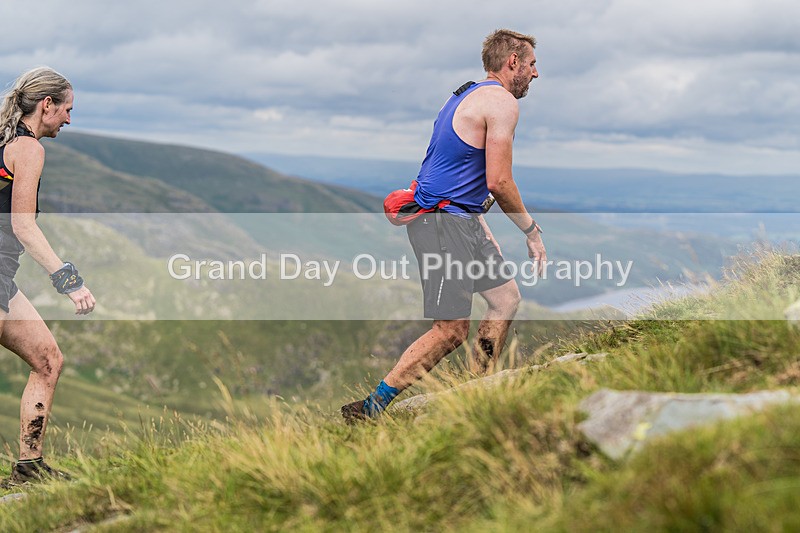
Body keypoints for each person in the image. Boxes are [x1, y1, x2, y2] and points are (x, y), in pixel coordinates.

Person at [342, 29, 546, 422]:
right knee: (451, 330)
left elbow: (450, 171)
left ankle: (474, 393)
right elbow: (499, 181)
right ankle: (371, 408)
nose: (536, 74)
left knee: (505, 299)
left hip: (458, 218)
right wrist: (531, 232)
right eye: (533, 64)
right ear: (513, 62)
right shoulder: (501, 102)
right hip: (442, 223)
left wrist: (480, 229)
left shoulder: (463, 95)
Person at [0, 67, 96, 486]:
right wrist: (69, 281)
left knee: (48, 360)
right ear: (47, 105)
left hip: (4, 278)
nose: (70, 120)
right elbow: (24, 226)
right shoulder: (28, 148)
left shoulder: (5, 142)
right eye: (67, 110)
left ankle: (29, 467)